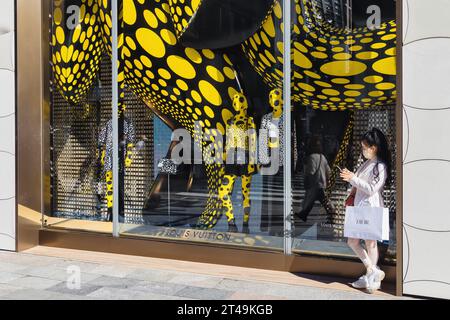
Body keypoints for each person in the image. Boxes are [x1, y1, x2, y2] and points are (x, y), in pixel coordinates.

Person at [340, 127, 391, 293]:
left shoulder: (380, 166)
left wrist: (353, 178)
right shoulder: (367, 163)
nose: (362, 150)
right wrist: (351, 181)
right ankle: (372, 270)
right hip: (360, 206)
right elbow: (358, 184)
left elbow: (371, 188)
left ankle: (371, 277)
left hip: (371, 206)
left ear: (373, 147)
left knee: (370, 242)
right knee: (352, 241)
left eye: (364, 147)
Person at [294, 137, 335, 223]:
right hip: (321, 183)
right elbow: (329, 171)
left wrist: (306, 180)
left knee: (322, 200)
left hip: (315, 184)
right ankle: (304, 214)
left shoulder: (311, 157)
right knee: (313, 200)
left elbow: (311, 172)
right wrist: (327, 180)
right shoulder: (322, 157)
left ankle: (332, 214)